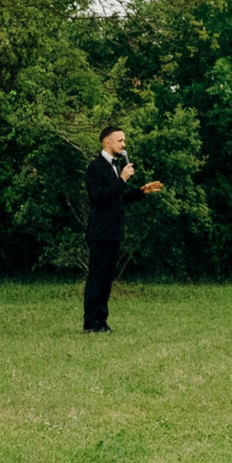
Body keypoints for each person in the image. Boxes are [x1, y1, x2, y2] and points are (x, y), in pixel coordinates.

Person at [74, 125, 164, 334]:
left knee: (107, 279)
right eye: (120, 141)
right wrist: (122, 179)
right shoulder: (95, 167)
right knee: (96, 277)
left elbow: (118, 199)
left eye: (124, 141)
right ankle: (90, 323)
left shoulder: (115, 167)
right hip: (100, 232)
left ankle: (102, 322)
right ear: (107, 142)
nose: (124, 145)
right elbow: (100, 198)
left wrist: (141, 191)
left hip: (114, 231)